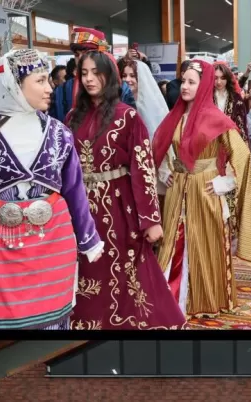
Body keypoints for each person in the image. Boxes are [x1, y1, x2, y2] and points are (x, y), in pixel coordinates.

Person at [0, 48, 103, 330]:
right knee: (2, 324)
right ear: (14, 84)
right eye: (40, 81)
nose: (49, 88)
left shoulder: (59, 132)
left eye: (47, 80)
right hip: (2, 243)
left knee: (54, 321)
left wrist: (89, 239)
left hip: (54, 243)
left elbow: (75, 190)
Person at [69, 49, 185, 330]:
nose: (89, 79)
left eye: (96, 73)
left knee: (126, 269)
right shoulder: (73, 118)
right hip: (80, 208)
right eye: (84, 73)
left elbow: (143, 171)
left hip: (118, 207)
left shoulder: (127, 117)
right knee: (87, 268)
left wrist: (151, 220)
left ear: (109, 77)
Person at [153, 59, 251, 319]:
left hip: (206, 188)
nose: (185, 87)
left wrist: (226, 182)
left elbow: (242, 155)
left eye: (192, 82)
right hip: (179, 187)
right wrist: (166, 171)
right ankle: (170, 296)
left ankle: (203, 298)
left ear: (204, 86)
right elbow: (162, 146)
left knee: (205, 243)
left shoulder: (216, 118)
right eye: (184, 81)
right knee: (174, 240)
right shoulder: (175, 116)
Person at [213, 61, 249, 142]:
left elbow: (242, 125)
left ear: (227, 78)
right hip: (211, 143)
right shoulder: (207, 96)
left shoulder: (236, 98)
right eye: (215, 78)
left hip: (231, 142)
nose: (219, 82)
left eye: (222, 78)